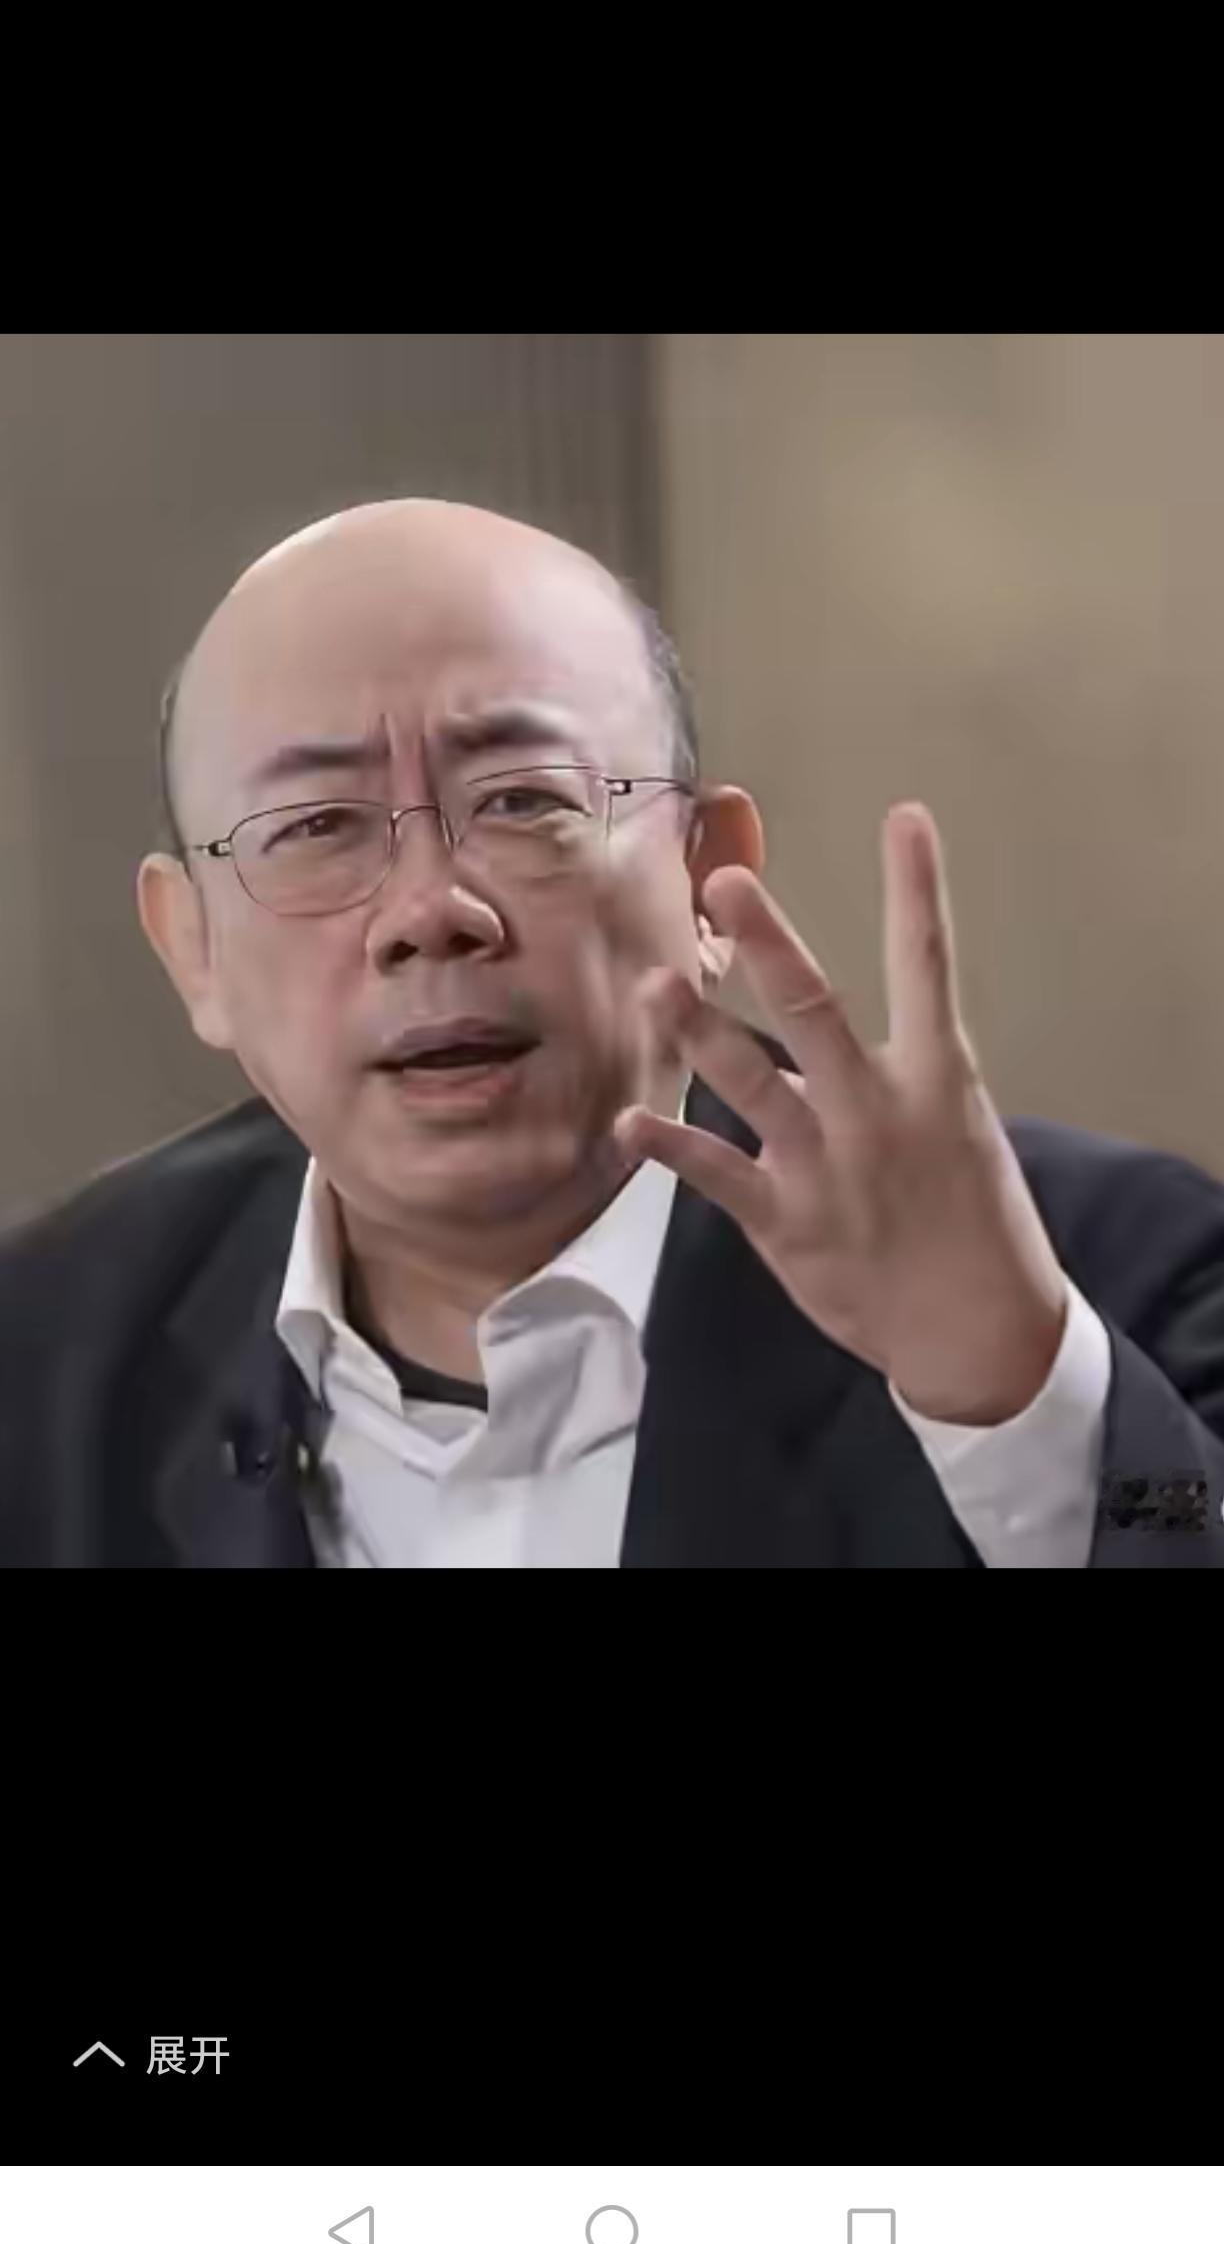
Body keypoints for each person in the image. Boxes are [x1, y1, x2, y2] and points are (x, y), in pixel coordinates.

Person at [3, 493, 1224, 1568]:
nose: (430, 912)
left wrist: (1019, 1411)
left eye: (523, 801)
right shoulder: (44, 1351)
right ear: (192, 947)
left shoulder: (1107, 1281)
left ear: (706, 879)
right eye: (316, 826)